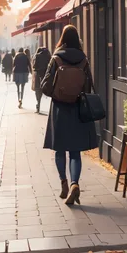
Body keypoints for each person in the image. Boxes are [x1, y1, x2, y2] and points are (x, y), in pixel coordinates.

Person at [41, 25, 96, 205]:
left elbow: (45, 85)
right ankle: (74, 184)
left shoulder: (56, 58)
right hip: (77, 109)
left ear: (63, 39)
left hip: (59, 108)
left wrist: (57, 94)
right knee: (75, 152)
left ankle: (63, 182)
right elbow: (89, 87)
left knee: (59, 149)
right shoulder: (83, 60)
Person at [32, 45, 51, 113]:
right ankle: (46, 106)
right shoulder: (48, 55)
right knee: (45, 89)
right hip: (46, 74)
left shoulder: (37, 55)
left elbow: (34, 67)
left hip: (38, 74)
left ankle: (38, 104)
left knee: (38, 90)